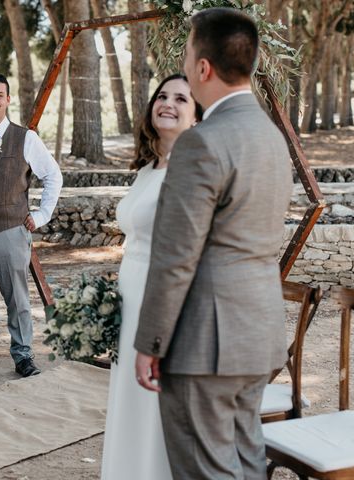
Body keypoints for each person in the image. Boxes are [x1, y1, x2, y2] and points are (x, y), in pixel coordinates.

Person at [134, 8, 293, 479]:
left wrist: (151, 342)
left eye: (186, 56)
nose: (184, 66)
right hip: (259, 335)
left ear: (203, 67)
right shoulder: (271, 138)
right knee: (245, 465)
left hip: (205, 341)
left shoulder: (201, 143)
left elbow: (177, 257)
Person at [101, 74, 201, 480]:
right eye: (162, 95)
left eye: (181, 99)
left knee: (154, 403)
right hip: (131, 290)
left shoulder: (192, 171)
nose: (168, 103)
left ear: (196, 117)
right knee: (128, 397)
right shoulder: (147, 168)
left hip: (163, 296)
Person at [0, 73, 62, 378]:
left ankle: (23, 355)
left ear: (8, 99)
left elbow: (53, 176)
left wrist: (41, 214)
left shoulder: (26, 138)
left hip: (10, 230)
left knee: (17, 299)